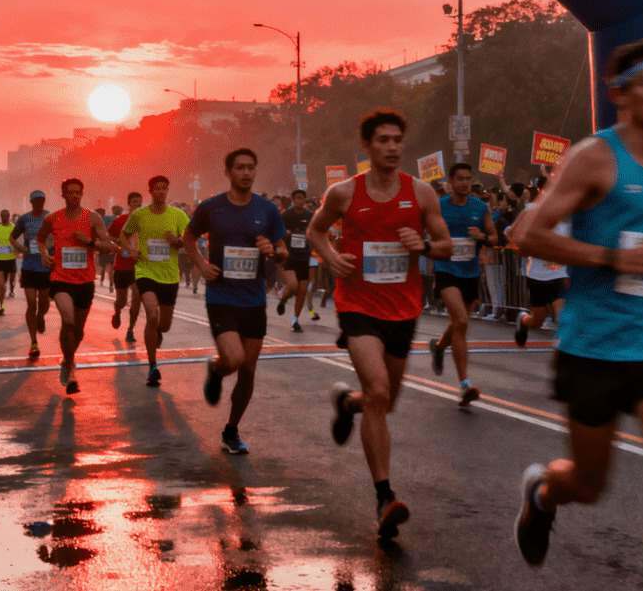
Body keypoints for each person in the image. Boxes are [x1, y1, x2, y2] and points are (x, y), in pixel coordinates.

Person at [508, 37, 643, 591]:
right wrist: (613, 258)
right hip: (594, 346)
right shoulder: (593, 157)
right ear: (620, 93)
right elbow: (527, 234)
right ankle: (544, 494)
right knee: (590, 485)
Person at [310, 110, 452, 540]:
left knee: (383, 402)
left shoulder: (421, 193)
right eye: (383, 140)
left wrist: (423, 245)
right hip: (357, 305)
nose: (392, 147)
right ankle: (384, 497)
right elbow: (316, 232)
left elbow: (446, 246)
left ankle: (347, 404)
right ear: (367, 147)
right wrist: (330, 257)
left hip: (403, 309)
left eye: (397, 140)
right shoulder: (344, 192)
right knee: (378, 391)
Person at [184, 149, 287, 455]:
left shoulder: (267, 210)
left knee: (248, 369)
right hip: (221, 296)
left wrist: (274, 250)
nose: (246, 173)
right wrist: (202, 264)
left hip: (253, 299)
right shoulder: (212, 207)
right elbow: (189, 238)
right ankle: (217, 369)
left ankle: (231, 430)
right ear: (228, 172)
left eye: (250, 168)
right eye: (240, 168)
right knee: (234, 359)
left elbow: (282, 250)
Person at [36, 178, 116, 395]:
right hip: (61, 279)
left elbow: (109, 246)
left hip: (85, 281)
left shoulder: (92, 217)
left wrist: (89, 242)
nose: (74, 196)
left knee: (78, 330)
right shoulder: (53, 218)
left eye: (78, 192)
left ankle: (66, 359)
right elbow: (40, 238)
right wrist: (43, 254)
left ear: (82, 194)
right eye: (70, 192)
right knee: (68, 321)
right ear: (63, 194)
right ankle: (71, 369)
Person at [427, 163, 496, 407]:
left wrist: (482, 237)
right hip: (446, 270)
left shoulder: (480, 207)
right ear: (451, 181)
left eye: (468, 179)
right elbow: (427, 232)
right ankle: (465, 384)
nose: (465, 183)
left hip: (470, 273)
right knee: (462, 321)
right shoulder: (439, 206)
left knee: (459, 323)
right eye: (460, 179)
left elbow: (494, 237)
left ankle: (439, 347)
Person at [120, 176, 190, 388]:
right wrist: (131, 250)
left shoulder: (178, 215)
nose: (161, 192)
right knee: (152, 314)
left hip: (169, 276)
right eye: (157, 188)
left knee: (164, 326)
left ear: (167, 191)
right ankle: (152, 366)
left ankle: (157, 331)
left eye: (164, 188)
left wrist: (177, 241)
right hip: (145, 272)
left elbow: (189, 239)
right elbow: (124, 234)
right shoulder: (139, 215)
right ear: (150, 191)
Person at [511, 188, 570, 348]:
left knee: (561, 314)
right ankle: (523, 320)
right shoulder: (532, 211)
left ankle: (564, 349)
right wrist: (525, 247)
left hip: (560, 274)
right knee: (537, 321)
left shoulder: (570, 215)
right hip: (538, 275)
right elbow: (512, 234)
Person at [12, 191, 51, 360]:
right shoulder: (24, 219)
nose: (39, 203)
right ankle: (34, 342)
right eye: (36, 201)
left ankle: (41, 316)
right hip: (29, 266)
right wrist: (22, 249)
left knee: (44, 302)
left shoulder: (50, 217)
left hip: (45, 266)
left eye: (41, 200)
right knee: (31, 304)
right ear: (31, 202)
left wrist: (51, 251)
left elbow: (58, 237)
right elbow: (12, 237)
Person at [276, 189, 314, 333]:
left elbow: (314, 232)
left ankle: (295, 320)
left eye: (302, 198)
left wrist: (309, 236)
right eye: (297, 198)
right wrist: (286, 234)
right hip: (289, 256)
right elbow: (277, 233)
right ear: (293, 200)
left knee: (302, 290)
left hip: (304, 256)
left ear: (305, 200)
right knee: (293, 285)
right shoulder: (286, 215)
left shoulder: (309, 215)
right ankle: (283, 300)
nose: (300, 201)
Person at [108, 192, 143, 343]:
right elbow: (109, 237)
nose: (137, 205)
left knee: (137, 298)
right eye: (134, 202)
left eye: (140, 203)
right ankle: (117, 312)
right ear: (129, 204)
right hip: (122, 266)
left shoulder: (145, 221)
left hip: (139, 267)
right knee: (121, 301)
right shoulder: (120, 220)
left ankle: (130, 329)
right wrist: (119, 245)